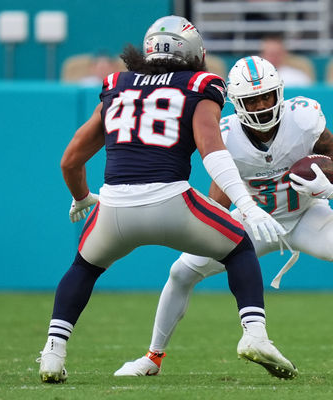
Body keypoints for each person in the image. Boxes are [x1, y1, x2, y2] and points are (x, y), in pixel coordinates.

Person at [113, 56, 333, 377]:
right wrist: (204, 234)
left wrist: (332, 190)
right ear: (237, 103)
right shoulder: (227, 137)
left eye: (266, 96)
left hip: (306, 216)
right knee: (181, 272)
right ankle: (153, 357)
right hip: (255, 222)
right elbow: (217, 202)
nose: (261, 106)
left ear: (279, 93)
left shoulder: (303, 119)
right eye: (251, 100)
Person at [36, 16, 299, 383]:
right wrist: (248, 204)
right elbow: (213, 151)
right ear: (193, 52)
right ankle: (255, 335)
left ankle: (53, 352)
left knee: (83, 267)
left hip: (113, 208)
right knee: (239, 246)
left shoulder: (117, 84)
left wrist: (82, 197)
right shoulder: (200, 84)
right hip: (172, 201)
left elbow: (71, 159)